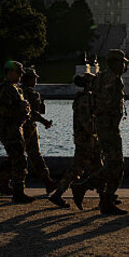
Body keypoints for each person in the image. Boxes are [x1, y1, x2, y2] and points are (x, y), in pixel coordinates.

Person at [72, 48, 129, 215]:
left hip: (104, 125)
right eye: (122, 63)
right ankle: (84, 187)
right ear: (115, 63)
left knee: (113, 163)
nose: (123, 67)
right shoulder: (113, 80)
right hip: (108, 126)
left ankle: (105, 200)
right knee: (116, 164)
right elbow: (108, 104)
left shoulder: (101, 77)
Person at [0, 60, 33, 203]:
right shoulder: (6, 89)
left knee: (14, 158)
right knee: (19, 160)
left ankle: (1, 183)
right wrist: (21, 108)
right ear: (10, 73)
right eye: (18, 73)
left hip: (15, 127)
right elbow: (2, 111)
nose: (20, 77)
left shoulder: (14, 88)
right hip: (9, 128)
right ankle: (18, 192)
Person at [48, 73, 101, 209]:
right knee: (77, 169)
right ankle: (58, 194)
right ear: (88, 84)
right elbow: (87, 123)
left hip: (88, 139)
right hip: (86, 140)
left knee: (97, 167)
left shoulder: (86, 98)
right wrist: (97, 132)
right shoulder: (84, 100)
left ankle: (105, 197)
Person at [20, 67, 56, 194]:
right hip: (28, 128)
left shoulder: (17, 91)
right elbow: (34, 113)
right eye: (34, 78)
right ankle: (48, 181)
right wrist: (45, 121)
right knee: (34, 155)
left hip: (18, 127)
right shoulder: (33, 94)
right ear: (28, 79)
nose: (36, 81)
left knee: (18, 156)